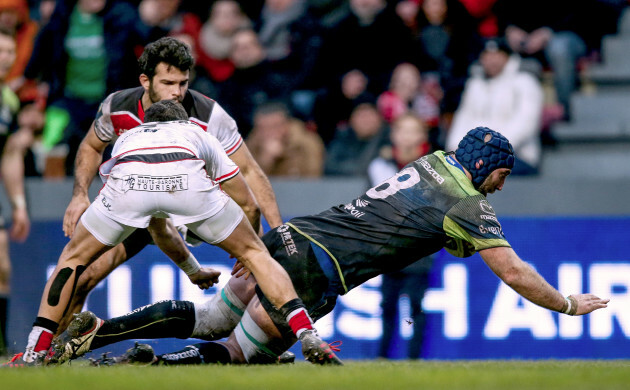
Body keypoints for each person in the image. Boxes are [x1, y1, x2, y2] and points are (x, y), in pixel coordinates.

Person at [48, 126, 609, 366]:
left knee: (216, 314)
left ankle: (104, 331)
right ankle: (145, 368)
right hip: (320, 270)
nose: (504, 184)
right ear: (486, 168)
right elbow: (513, 273)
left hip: (293, 236)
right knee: (239, 355)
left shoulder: (433, 162)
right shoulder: (467, 206)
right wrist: (566, 304)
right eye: (502, 173)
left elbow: (418, 225)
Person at [5, 100, 338, 366]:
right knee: (256, 256)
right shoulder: (199, 134)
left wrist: (192, 270)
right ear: (184, 122)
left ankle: (36, 350)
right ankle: (305, 330)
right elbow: (248, 203)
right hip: (190, 187)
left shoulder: (127, 137)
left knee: (74, 260)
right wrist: (247, 252)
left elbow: (155, 223)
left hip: (130, 186)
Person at [55, 36, 284, 335]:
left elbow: (250, 172)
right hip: (137, 210)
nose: (177, 93)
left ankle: (270, 344)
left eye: (183, 83)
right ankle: (51, 352)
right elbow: (90, 147)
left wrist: (276, 231)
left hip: (193, 209)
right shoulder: (118, 106)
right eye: (168, 83)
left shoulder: (209, 114)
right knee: (81, 278)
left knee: (261, 262)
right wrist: (79, 195)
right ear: (145, 80)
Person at [367, 113, 434, 359]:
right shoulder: (379, 166)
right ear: (393, 135)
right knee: (387, 306)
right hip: (389, 248)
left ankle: (414, 358)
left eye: (412, 131)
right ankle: (383, 356)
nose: (406, 137)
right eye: (401, 130)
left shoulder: (434, 168)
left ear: (422, 137)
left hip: (419, 249)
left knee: (415, 305)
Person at [446, 38, 543, 175]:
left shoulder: (525, 82)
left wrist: (490, 151)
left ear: (507, 57)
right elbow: (463, 118)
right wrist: (454, 150)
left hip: (517, 157)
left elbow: (526, 124)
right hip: (475, 158)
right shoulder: (474, 84)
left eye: (497, 55)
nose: (492, 60)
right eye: (487, 55)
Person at [0, 26, 32, 355]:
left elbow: (9, 155)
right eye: (0, 50)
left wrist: (19, 204)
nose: (5, 58)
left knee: (2, 265)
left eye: (10, 51)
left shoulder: (8, 99)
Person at [246, 101, 324, 178]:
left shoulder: (307, 143)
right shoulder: (249, 145)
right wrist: (265, 161)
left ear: (287, 124)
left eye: (275, 126)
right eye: (262, 128)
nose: (269, 132)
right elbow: (246, 181)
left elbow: (313, 178)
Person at [324, 101, 390, 177]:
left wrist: (378, 136)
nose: (366, 121)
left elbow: (368, 168)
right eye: (361, 116)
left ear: (379, 120)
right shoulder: (343, 137)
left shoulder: (388, 140)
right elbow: (329, 166)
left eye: (369, 116)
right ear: (352, 120)